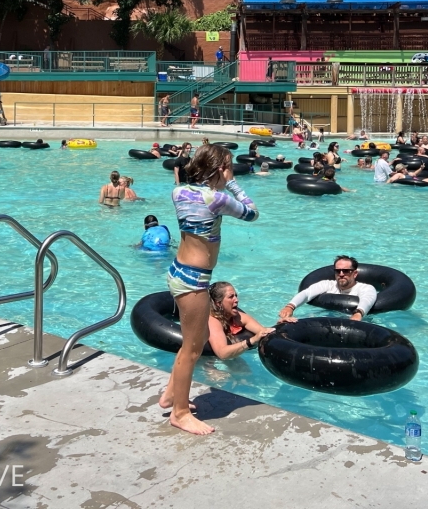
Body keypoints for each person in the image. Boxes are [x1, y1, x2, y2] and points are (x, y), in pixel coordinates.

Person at [161, 144, 258, 434]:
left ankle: (169, 395)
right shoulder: (217, 199)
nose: (230, 170)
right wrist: (233, 184)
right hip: (194, 280)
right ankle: (179, 413)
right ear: (220, 170)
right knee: (192, 349)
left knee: (196, 337)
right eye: (228, 166)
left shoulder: (178, 193)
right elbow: (252, 213)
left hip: (178, 271)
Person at [278, 256, 376, 322]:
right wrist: (290, 307)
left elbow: (367, 299)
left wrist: (358, 314)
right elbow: (307, 293)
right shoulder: (328, 285)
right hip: (326, 320)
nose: (341, 274)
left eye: (346, 271)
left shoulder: (365, 288)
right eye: (338, 271)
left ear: (354, 274)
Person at [205, 282, 274, 359]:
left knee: (245, 370)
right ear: (218, 303)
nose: (236, 300)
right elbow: (222, 353)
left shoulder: (237, 316)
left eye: (236, 296)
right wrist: (252, 340)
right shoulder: (212, 321)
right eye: (231, 297)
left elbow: (264, 331)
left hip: (227, 354)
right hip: (206, 358)